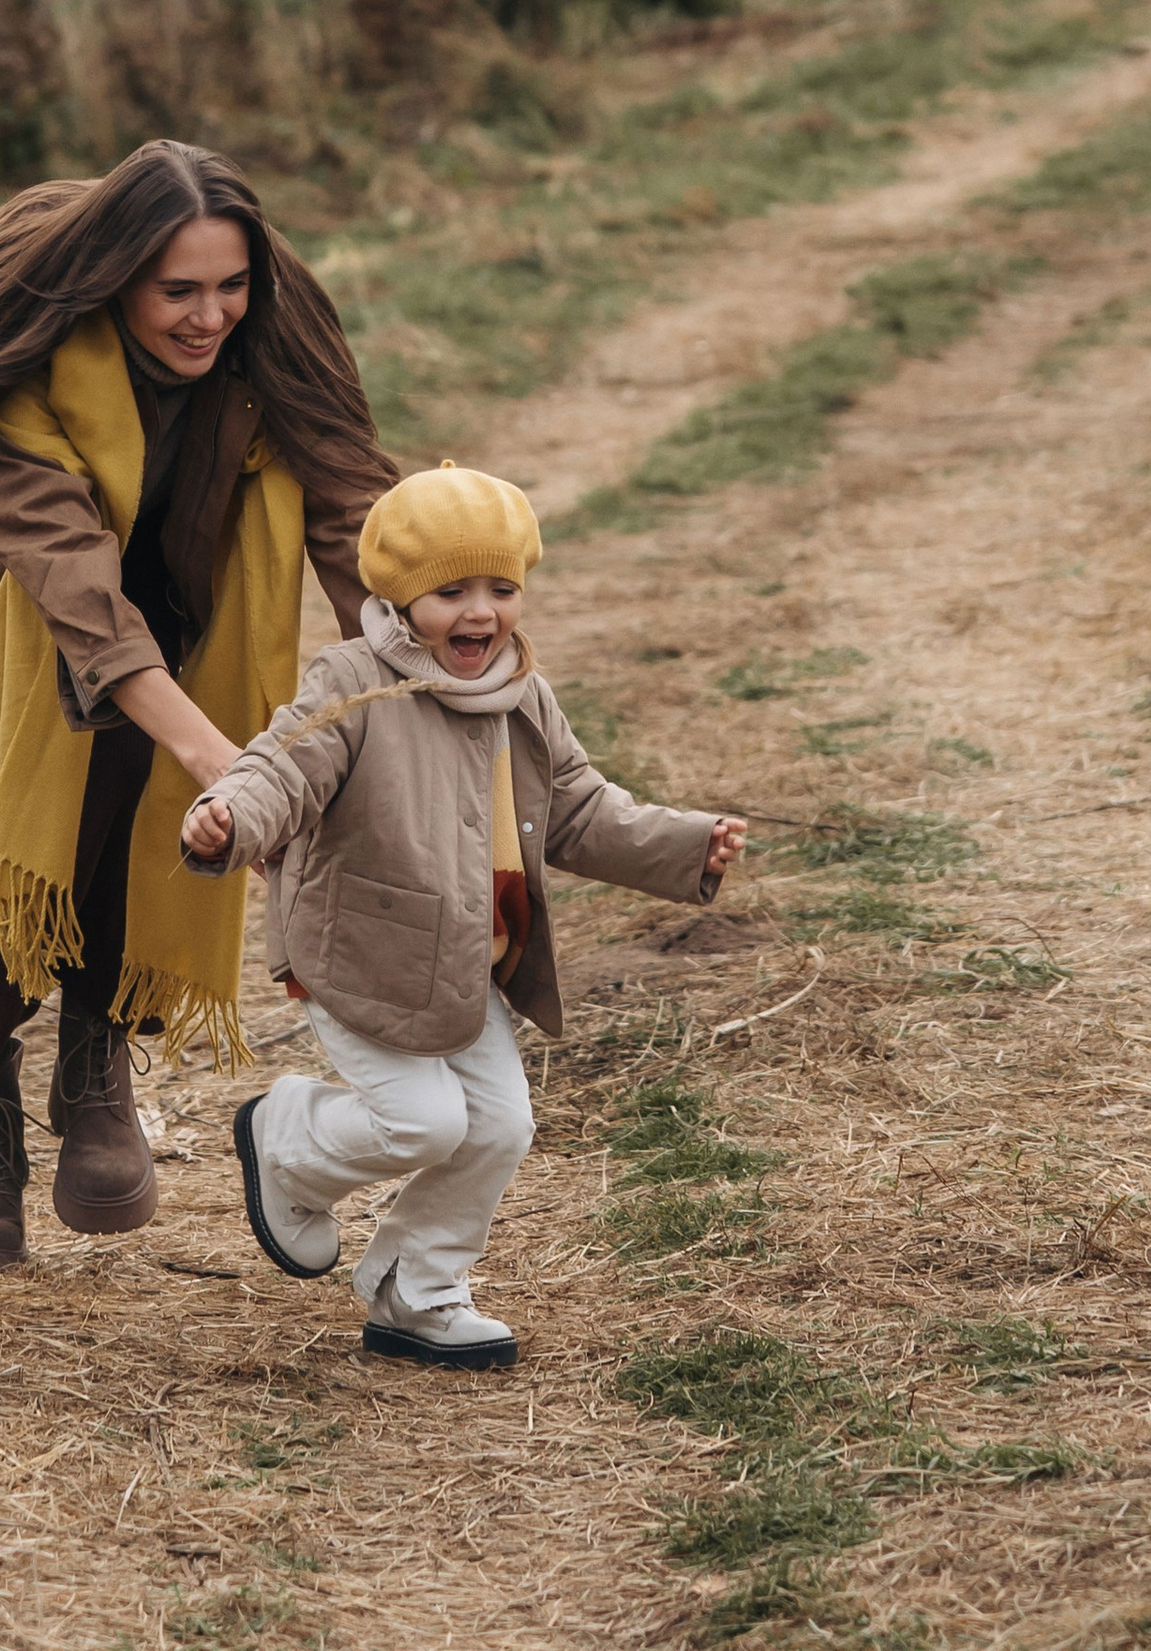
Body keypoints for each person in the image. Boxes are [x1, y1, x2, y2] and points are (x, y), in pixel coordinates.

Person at [0, 140, 398, 1272]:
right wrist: (218, 754)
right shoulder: (31, 356)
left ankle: (96, 1059)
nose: (207, 317)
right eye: (175, 291)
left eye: (227, 286)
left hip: (171, 580)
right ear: (115, 282)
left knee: (137, 838)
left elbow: (347, 503)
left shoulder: (270, 325)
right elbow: (68, 575)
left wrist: (413, 678)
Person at [179, 461, 748, 1371]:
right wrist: (230, 819)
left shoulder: (521, 695)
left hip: (464, 962)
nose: (479, 613)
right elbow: (281, 766)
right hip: (362, 949)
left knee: (500, 1126)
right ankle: (288, 1141)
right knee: (424, 1122)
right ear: (401, 599)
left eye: (501, 588)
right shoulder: (355, 681)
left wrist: (683, 844)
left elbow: (577, 808)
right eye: (450, 592)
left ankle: (418, 1285)